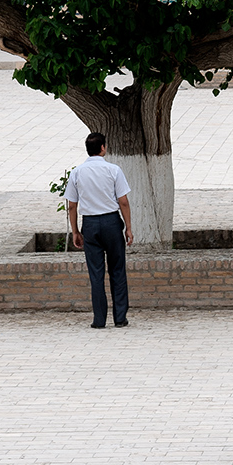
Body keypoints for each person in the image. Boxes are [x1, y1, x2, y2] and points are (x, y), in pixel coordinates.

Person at [64, 133, 134, 328]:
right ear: (103, 147)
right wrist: (128, 227)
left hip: (91, 225)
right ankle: (120, 317)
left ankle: (99, 319)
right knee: (117, 270)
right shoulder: (113, 170)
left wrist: (76, 231)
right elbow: (123, 201)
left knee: (96, 273)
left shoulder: (77, 172)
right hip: (111, 222)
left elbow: (72, 205)